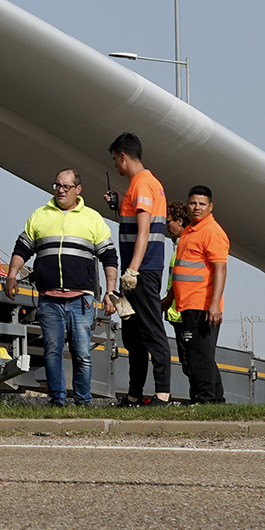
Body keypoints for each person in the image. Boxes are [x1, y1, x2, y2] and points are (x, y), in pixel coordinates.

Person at [4, 168, 120, 407]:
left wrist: (111, 292)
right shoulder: (40, 215)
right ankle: (57, 400)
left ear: (78, 189)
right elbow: (22, 248)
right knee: (52, 352)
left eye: (67, 186)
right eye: (57, 185)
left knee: (82, 354)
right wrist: (12, 275)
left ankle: (82, 401)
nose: (61, 190)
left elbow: (109, 256)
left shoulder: (92, 218)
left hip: (82, 300)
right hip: (49, 298)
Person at [102, 132, 171, 405]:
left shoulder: (142, 184)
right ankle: (134, 394)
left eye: (115, 161)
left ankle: (163, 394)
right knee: (133, 334)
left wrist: (131, 270)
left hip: (142, 272)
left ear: (123, 156)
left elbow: (144, 231)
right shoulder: (144, 184)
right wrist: (121, 203)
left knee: (151, 331)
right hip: (141, 270)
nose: (116, 168)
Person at [171, 185, 231, 404]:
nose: (196, 207)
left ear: (210, 206)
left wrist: (214, 305)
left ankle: (204, 400)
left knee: (199, 358)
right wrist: (168, 299)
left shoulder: (212, 232)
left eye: (201, 204)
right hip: (187, 304)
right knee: (200, 356)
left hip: (202, 305)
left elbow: (220, 269)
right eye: (193, 203)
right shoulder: (189, 231)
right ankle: (215, 400)